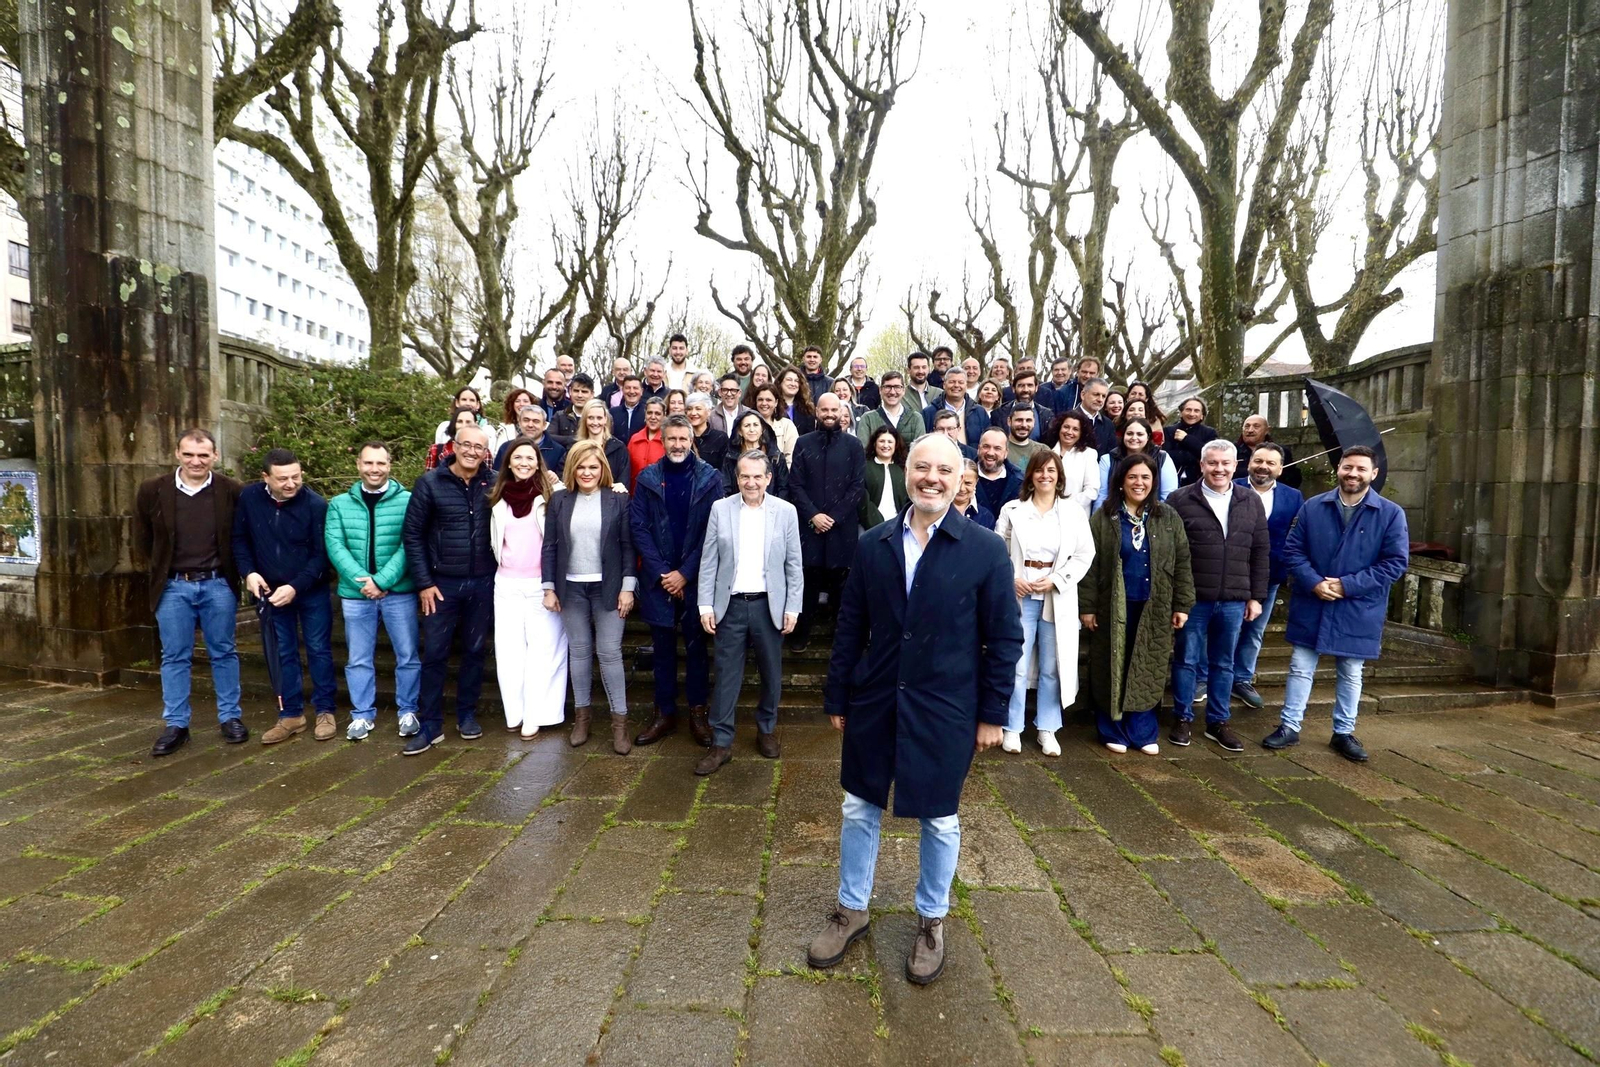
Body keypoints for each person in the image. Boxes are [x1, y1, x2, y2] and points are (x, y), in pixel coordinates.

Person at [805, 433, 1022, 986]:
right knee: (859, 807)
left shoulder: (985, 550)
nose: (932, 478)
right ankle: (852, 908)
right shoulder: (874, 542)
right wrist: (837, 695)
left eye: (944, 470)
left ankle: (932, 919)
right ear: (905, 472)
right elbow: (851, 625)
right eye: (921, 467)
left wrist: (994, 713)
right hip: (875, 697)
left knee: (939, 817)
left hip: (947, 704)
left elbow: (1004, 639)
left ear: (959, 478)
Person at [1263, 446, 1408, 761]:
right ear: (1338, 469)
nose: (1352, 474)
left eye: (1360, 469)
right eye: (1347, 467)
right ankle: (1289, 726)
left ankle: (1343, 732)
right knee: (1300, 667)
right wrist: (1314, 582)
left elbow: (1395, 563)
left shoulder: (1390, 513)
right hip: (1313, 599)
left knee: (1351, 671)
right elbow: (1293, 551)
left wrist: (1347, 585)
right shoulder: (1314, 506)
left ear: (1373, 473)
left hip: (1357, 605)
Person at [136, 429, 246, 757]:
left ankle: (230, 717)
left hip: (217, 585)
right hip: (172, 586)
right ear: (177, 454)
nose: (195, 461)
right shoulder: (152, 490)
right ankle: (177, 724)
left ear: (214, 455)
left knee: (224, 651)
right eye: (188, 454)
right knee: (174, 656)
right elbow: (142, 539)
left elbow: (239, 538)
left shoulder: (231, 491)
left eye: (203, 455)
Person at [696, 450, 805, 775]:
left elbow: (793, 564)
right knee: (727, 675)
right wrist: (705, 604)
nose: (751, 482)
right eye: (745, 476)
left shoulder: (785, 512)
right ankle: (722, 742)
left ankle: (767, 729)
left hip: (768, 606)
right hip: (729, 606)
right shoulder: (721, 509)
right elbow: (709, 560)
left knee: (771, 673)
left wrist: (793, 607)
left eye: (758, 476)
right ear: (737, 478)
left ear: (768, 478)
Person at [1080, 453, 1195, 754]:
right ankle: (1112, 729)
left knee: (1148, 665)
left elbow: (1182, 562)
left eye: (1145, 477)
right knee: (1112, 665)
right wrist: (1087, 607)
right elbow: (1089, 565)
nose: (1139, 483)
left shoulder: (1167, 517)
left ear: (1154, 482)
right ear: (1120, 482)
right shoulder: (1104, 517)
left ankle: (1142, 731)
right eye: (1132, 477)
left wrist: (1181, 604)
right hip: (1112, 606)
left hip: (1154, 605)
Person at [1166, 439, 1270, 752]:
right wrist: (1176, 598)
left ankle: (1218, 722)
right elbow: (1169, 552)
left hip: (1235, 599)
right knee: (1186, 660)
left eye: (1226, 463)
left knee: (1224, 664)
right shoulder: (1180, 499)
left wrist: (1256, 596)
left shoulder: (1250, 501)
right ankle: (1182, 717)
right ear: (1202, 465)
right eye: (1213, 463)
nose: (1219, 469)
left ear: (1236, 465)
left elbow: (1261, 550)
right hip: (1194, 598)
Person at [400, 421, 497, 754]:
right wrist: (424, 583)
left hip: (483, 582)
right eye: (466, 445)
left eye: (479, 448)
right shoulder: (429, 484)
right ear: (453, 446)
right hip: (441, 585)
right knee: (436, 654)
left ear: (486, 454)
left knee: (474, 651)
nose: (472, 452)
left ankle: (466, 714)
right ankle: (430, 725)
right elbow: (412, 536)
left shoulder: (493, 482)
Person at [630, 416, 724, 747]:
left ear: (692, 441)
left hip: (697, 577)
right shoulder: (648, 478)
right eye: (672, 439)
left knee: (697, 649)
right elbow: (638, 527)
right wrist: (663, 572)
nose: (678, 444)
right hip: (659, 580)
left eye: (683, 439)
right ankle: (664, 713)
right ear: (663, 440)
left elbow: (715, 532)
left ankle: (698, 713)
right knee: (663, 650)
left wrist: (685, 572)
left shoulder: (711, 479)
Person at [994, 450, 1095, 756]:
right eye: (1039, 471)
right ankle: (1012, 726)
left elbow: (1084, 554)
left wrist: (1058, 580)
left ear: (1059, 476)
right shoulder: (1013, 509)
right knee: (1018, 664)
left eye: (1051, 471)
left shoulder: (1073, 512)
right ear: (1031, 476)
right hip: (1021, 594)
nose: (1045, 476)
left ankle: (1047, 727)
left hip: (1055, 596)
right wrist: (1012, 579)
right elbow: (997, 551)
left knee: (1054, 665)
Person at [232, 448, 335, 743]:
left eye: (296, 476)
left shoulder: (316, 505)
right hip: (270, 591)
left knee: (318, 649)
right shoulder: (249, 499)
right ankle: (291, 713)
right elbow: (240, 540)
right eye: (282, 479)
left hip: (309, 589)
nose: (291, 483)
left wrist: (295, 587)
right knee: (282, 652)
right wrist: (249, 572)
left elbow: (321, 556)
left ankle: (325, 710)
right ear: (265, 477)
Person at [544, 439, 638, 754]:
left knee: (610, 653)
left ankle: (619, 725)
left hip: (608, 587)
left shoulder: (618, 499)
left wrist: (628, 586)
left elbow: (628, 545)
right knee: (580, 652)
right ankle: (582, 719)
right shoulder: (559, 500)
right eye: (581, 467)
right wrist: (548, 587)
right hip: (571, 588)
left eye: (593, 467)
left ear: (603, 469)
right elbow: (551, 546)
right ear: (572, 469)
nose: (587, 472)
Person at [324, 441, 419, 741]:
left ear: (390, 465)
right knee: (358, 658)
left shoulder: (408, 500)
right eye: (368, 463)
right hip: (356, 594)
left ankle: (408, 711)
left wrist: (383, 581)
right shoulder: (339, 504)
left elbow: (410, 544)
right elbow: (335, 545)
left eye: (380, 463)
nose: (374, 469)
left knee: (407, 655)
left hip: (399, 592)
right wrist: (363, 581)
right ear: (359, 466)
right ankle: (362, 715)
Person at [488, 438, 568, 740]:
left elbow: (583, 495)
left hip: (541, 585)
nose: (524, 463)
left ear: (539, 463)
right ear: (508, 462)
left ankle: (538, 715)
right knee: (509, 654)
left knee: (544, 652)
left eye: (530, 458)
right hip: (506, 583)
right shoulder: (497, 496)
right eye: (518, 458)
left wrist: (616, 488)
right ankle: (516, 713)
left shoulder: (552, 494)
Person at [786, 393, 866, 651]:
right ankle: (800, 635)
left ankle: (841, 638)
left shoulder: (853, 445)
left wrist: (834, 517)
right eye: (825, 410)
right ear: (816, 412)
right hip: (810, 527)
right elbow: (795, 485)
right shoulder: (803, 443)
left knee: (840, 587)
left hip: (841, 528)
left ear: (842, 412)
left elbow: (857, 487)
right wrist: (813, 515)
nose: (829, 414)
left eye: (834, 410)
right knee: (807, 584)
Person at [1232, 443, 1304, 709]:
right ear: (1249, 462)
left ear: (1280, 468)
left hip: (1270, 574)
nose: (1263, 466)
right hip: (1229, 572)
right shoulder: (1231, 485)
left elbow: (1295, 536)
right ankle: (1209, 677)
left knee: (1254, 630)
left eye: (1271, 463)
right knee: (1220, 627)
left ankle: (1242, 678)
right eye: (1258, 460)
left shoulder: (1293, 497)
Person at [1095, 418, 1178, 507]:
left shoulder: (1162, 458)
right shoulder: (1108, 459)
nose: (1134, 438)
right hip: (1115, 515)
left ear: (1148, 437)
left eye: (1140, 434)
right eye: (1129, 433)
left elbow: (1168, 496)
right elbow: (1102, 496)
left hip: (1154, 514)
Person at [722, 410, 789, 499]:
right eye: (747, 426)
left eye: (756, 425)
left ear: (762, 429)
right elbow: (725, 488)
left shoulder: (775, 457)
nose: (752, 429)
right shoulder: (731, 458)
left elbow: (783, 489)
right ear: (740, 431)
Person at [921, 367, 988, 449]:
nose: (956, 385)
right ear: (944, 385)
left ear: (966, 386)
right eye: (952, 382)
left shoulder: (979, 412)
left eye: (961, 382)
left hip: (971, 459)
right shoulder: (929, 413)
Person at [494, 403, 566, 479]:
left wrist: (555, 478)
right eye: (526, 420)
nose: (530, 425)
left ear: (544, 425)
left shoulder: (558, 451)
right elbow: (497, 478)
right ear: (520, 423)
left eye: (536, 421)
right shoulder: (506, 448)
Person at [1050, 411, 1101, 517]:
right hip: (1048, 515)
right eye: (1066, 427)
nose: (1069, 432)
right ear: (1059, 428)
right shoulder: (1047, 451)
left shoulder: (1089, 454)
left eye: (1075, 429)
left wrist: (1065, 506)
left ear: (1081, 433)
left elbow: (1092, 490)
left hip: (1075, 515)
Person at [854, 369, 925, 445]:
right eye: (888, 387)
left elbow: (920, 451)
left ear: (903, 391)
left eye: (897, 387)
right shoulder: (868, 419)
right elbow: (863, 452)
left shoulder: (916, 418)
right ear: (880, 390)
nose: (892, 392)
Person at [1234, 414, 1302, 489]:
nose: (1250, 430)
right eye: (1247, 426)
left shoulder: (1281, 452)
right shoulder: (1232, 451)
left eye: (1256, 426)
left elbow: (1292, 479)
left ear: (1267, 430)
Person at [860, 425, 908, 528]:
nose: (886, 445)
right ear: (874, 443)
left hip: (898, 525)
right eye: (882, 441)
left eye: (890, 442)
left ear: (896, 445)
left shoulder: (903, 469)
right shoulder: (864, 467)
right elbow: (863, 500)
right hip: (870, 526)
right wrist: (876, 523)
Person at [576, 398, 631, 486]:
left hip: (610, 497)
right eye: (590, 418)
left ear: (605, 419)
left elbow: (623, 481)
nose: (595, 422)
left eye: (599, 418)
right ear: (585, 420)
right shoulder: (575, 447)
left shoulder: (619, 448)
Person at [1167, 397, 1218, 487]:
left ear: (1202, 415)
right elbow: (1166, 456)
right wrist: (1195, 456)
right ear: (1181, 413)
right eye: (1188, 410)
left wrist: (1186, 439)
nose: (1192, 414)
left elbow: (1210, 455)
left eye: (1196, 411)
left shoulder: (1209, 433)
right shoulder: (1168, 431)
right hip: (1171, 479)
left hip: (1198, 481)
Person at [973, 428, 1022, 519]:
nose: (991, 453)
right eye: (986, 446)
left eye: (997, 448)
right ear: (978, 448)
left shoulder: (1019, 480)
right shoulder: (962, 477)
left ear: (1006, 453)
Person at [747, 383, 799, 463]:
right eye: (760, 399)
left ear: (776, 402)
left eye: (768, 400)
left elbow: (791, 458)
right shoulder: (746, 424)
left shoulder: (787, 426)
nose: (764, 403)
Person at [994, 369, 1050, 441]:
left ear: (1036, 388)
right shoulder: (998, 414)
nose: (1025, 390)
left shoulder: (1047, 415)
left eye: (1030, 385)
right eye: (1021, 385)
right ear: (1013, 389)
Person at [627, 397, 667, 492]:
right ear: (645, 414)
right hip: (635, 496)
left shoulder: (668, 441)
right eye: (649, 413)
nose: (653, 417)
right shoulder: (635, 439)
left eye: (657, 414)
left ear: (664, 416)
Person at [685, 392, 730, 473]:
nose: (693, 413)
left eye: (698, 409)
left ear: (708, 412)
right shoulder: (682, 437)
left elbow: (725, 471)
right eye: (689, 409)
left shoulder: (720, 438)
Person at [426, 405, 478, 471]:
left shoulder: (484, 453)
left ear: (476, 424)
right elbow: (428, 479)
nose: (463, 426)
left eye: (468, 422)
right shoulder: (435, 450)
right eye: (460, 421)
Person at [1074, 378, 1118, 453]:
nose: (1100, 399)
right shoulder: (1067, 419)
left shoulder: (1108, 424)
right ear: (1083, 395)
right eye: (1096, 394)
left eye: (1103, 396)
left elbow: (1111, 453)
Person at [775, 365, 817, 436]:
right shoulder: (773, 407)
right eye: (789, 380)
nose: (793, 384)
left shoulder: (807, 410)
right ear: (780, 382)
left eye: (796, 381)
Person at [952, 460, 995, 529]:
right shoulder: (936, 509)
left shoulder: (986, 517)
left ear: (976, 482)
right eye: (958, 482)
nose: (962, 488)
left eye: (968, 483)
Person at [1004, 405, 1048, 469]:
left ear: (1034, 422)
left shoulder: (1043, 450)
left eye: (1028, 420)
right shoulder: (1000, 449)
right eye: (1019, 420)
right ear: (1009, 421)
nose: (1024, 425)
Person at [551, 373, 593, 440]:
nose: (579, 395)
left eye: (584, 392)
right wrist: (574, 440)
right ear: (570, 391)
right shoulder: (559, 416)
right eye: (576, 391)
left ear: (592, 394)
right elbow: (550, 438)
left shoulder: (599, 418)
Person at [611, 375, 648, 441]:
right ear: (622, 390)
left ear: (642, 391)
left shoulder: (647, 413)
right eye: (628, 388)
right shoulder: (612, 413)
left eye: (635, 388)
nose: (631, 391)